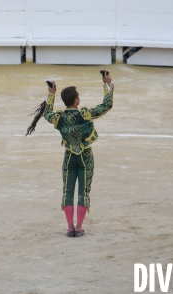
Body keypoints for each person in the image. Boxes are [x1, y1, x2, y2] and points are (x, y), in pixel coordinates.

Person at [25, 72, 114, 238]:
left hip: (69, 157)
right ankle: (79, 228)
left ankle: (69, 228)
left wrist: (51, 95)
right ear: (76, 100)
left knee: (68, 191)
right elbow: (105, 107)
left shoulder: (59, 118)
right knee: (83, 191)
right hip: (85, 155)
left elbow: (46, 113)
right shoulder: (84, 114)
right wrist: (108, 86)